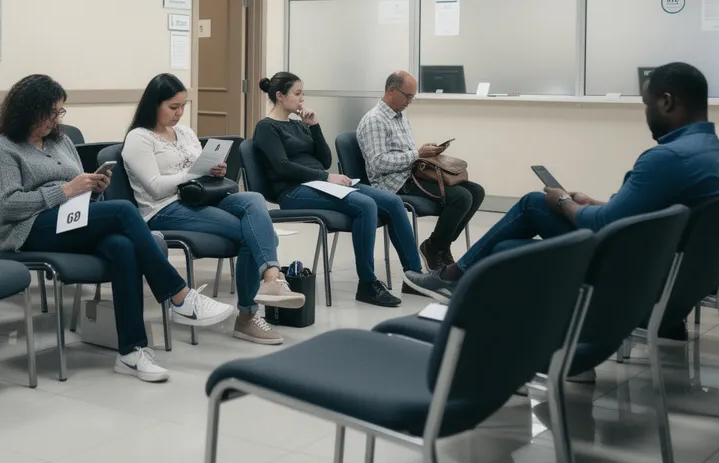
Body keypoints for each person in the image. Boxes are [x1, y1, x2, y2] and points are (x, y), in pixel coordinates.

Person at [405, 62, 719, 331]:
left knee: (533, 204)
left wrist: (563, 202)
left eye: (647, 104)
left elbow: (603, 225)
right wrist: (593, 201)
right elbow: (650, 211)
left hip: (633, 271)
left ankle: (455, 280)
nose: (645, 114)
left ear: (667, 102)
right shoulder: (717, 153)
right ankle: (458, 279)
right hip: (674, 270)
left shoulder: (668, 158)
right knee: (506, 247)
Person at [0, 74, 233, 383]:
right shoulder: (2, 148)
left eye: (59, 112)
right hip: (29, 229)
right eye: (49, 112)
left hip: (73, 217)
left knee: (122, 247)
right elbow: (7, 206)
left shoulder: (60, 141)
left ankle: (131, 352)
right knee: (124, 211)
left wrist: (94, 188)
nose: (54, 119)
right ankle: (178, 295)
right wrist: (65, 191)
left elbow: (78, 188)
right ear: (27, 110)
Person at [122, 74, 304, 346]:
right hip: (164, 207)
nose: (179, 113)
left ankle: (270, 278)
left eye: (183, 106)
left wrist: (213, 170)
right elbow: (156, 188)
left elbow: (199, 171)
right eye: (173, 107)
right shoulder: (139, 139)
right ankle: (248, 315)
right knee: (254, 235)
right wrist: (191, 174)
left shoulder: (184, 132)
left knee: (253, 200)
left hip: (200, 196)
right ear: (153, 104)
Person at [253, 71, 424, 308]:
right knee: (365, 205)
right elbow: (282, 167)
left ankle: (414, 275)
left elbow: (323, 159)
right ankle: (367, 283)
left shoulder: (299, 124)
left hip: (320, 183)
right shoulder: (266, 127)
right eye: (298, 93)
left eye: (303, 93)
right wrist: (326, 177)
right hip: (293, 191)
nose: (302, 99)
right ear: (280, 96)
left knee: (392, 202)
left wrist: (314, 127)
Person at [358, 70, 485, 273]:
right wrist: (417, 154)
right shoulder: (375, 120)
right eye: (407, 96)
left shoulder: (400, 117)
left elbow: (408, 154)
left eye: (412, 96)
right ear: (391, 91)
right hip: (394, 184)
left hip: (412, 176)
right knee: (460, 197)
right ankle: (435, 247)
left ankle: (440, 246)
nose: (410, 101)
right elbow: (377, 164)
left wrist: (425, 153)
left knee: (476, 191)